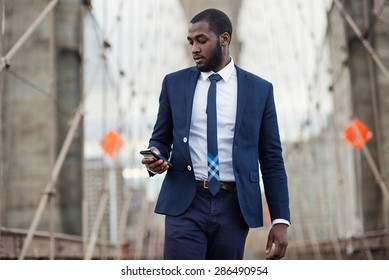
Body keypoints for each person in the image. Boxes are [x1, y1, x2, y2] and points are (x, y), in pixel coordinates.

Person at [141, 8, 290, 260]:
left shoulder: (260, 90)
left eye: (201, 40)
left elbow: (272, 160)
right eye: (190, 42)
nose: (194, 49)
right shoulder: (173, 84)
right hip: (185, 202)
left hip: (234, 205)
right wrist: (155, 155)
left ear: (224, 39)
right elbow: (160, 139)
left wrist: (280, 219)